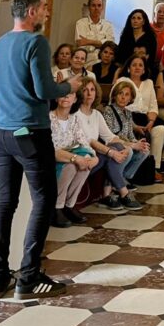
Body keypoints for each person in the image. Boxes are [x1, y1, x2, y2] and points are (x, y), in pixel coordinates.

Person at [0, 0, 82, 300]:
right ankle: (28, 277)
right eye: (43, 7)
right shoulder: (36, 42)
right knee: (44, 200)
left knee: (5, 202)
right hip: (30, 131)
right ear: (30, 12)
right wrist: (68, 85)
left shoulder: (0, 43)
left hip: (2, 132)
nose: (47, 12)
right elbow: (44, 91)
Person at [75, 79, 137, 211]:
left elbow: (110, 137)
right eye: (85, 90)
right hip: (84, 158)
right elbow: (89, 141)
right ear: (79, 93)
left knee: (118, 147)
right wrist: (111, 152)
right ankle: (124, 193)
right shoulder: (75, 114)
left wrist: (126, 146)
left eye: (92, 90)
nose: (89, 93)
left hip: (96, 156)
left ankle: (107, 196)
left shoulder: (96, 114)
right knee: (112, 153)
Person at [49, 91, 98, 226]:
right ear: (56, 97)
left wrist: (93, 157)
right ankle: (57, 207)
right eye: (62, 93)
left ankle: (69, 205)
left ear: (75, 99)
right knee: (71, 166)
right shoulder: (49, 118)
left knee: (86, 163)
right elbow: (52, 149)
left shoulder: (74, 119)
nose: (65, 97)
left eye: (69, 94)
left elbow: (83, 141)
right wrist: (75, 158)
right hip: (53, 158)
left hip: (70, 155)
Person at [100, 80, 151, 199]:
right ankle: (118, 181)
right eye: (120, 93)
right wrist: (131, 145)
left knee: (145, 150)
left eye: (127, 95)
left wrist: (139, 143)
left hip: (126, 143)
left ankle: (122, 178)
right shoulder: (108, 110)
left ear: (130, 98)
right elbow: (110, 135)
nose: (123, 97)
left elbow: (130, 135)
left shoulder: (128, 113)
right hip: (113, 144)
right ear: (114, 95)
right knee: (129, 151)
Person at [121, 54, 164, 179]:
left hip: (146, 117)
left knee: (160, 129)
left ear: (144, 69)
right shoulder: (123, 81)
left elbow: (153, 105)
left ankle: (154, 167)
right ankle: (133, 169)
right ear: (128, 68)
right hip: (128, 117)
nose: (137, 67)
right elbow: (117, 105)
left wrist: (151, 121)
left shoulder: (149, 83)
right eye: (134, 65)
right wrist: (133, 125)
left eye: (140, 65)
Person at [74, 0, 115, 68]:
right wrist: (101, 43)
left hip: (104, 63)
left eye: (99, 5)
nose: (96, 8)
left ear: (102, 8)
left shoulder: (108, 25)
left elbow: (110, 45)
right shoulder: (80, 23)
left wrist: (88, 41)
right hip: (86, 63)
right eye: (93, 5)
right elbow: (81, 44)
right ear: (89, 7)